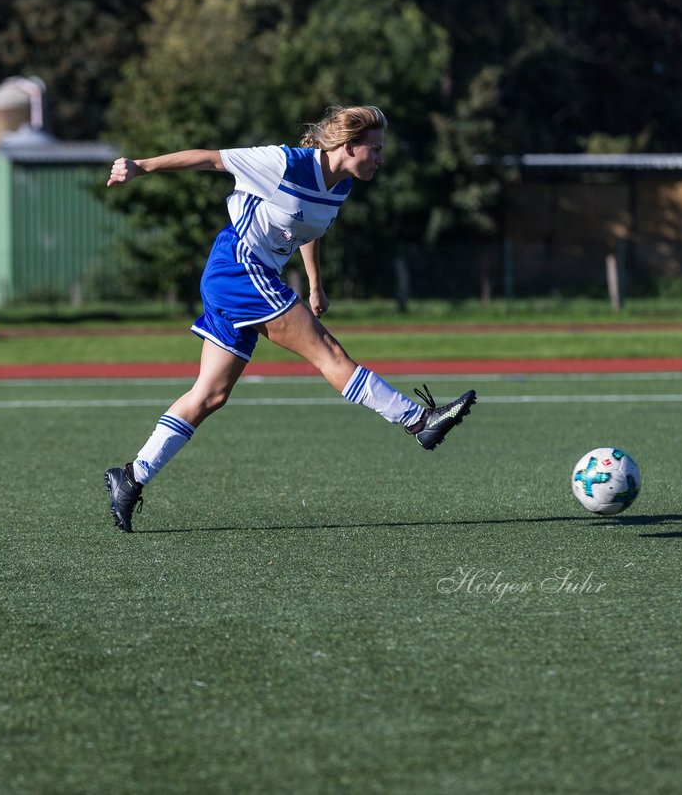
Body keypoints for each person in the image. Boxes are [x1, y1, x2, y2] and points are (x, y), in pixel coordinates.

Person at [102, 105, 476, 533]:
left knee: (209, 395)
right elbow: (210, 158)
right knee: (329, 354)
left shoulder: (341, 187)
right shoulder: (282, 163)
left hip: (245, 277)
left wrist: (315, 284)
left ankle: (130, 478)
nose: (380, 158)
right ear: (347, 146)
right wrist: (140, 166)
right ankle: (417, 421)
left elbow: (306, 232)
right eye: (373, 149)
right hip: (239, 267)